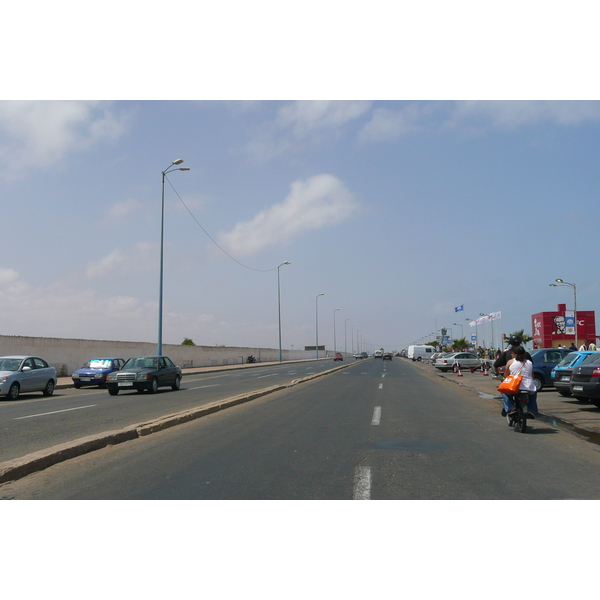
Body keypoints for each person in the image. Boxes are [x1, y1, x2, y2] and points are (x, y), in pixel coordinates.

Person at [500, 345, 539, 417]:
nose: (511, 354)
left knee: (504, 392)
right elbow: (532, 375)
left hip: (515, 387)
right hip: (529, 387)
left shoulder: (510, 362)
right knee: (533, 394)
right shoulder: (529, 363)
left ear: (515, 354)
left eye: (512, 353)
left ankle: (511, 408)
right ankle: (532, 410)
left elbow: (506, 375)